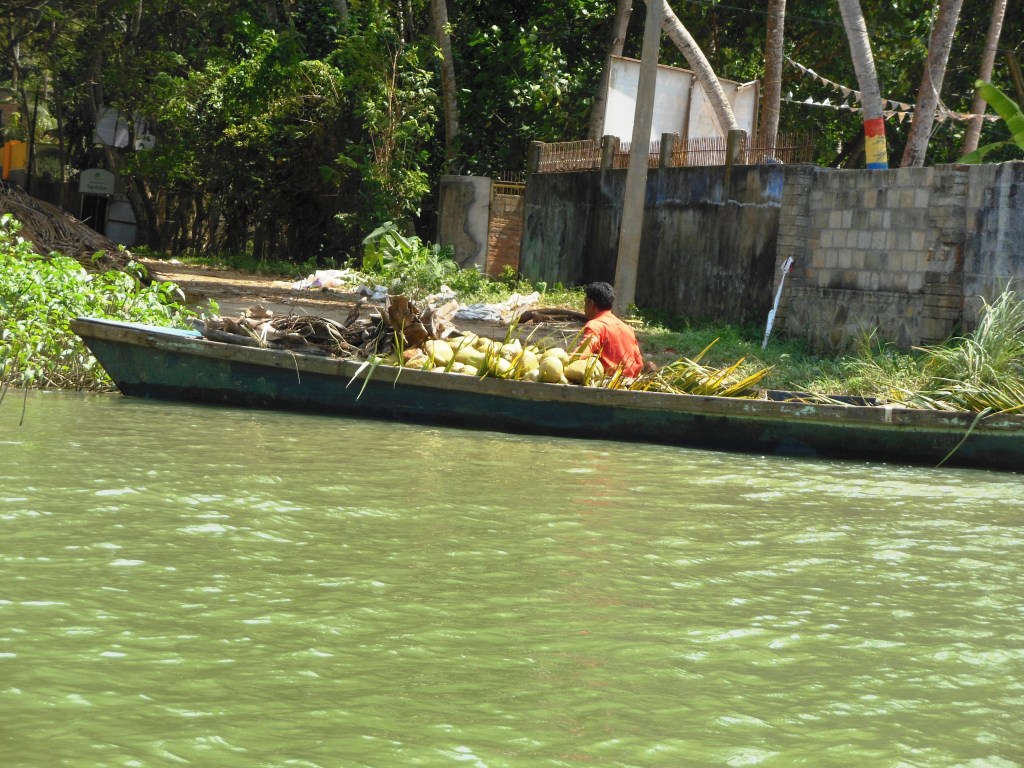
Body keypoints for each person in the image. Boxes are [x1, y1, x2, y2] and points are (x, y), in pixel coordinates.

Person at [576, 281, 645, 378]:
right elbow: (639, 362)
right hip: (629, 382)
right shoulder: (627, 328)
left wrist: (567, 361)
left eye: (585, 302)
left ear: (591, 303)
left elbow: (583, 351)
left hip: (607, 381)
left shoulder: (596, 325)